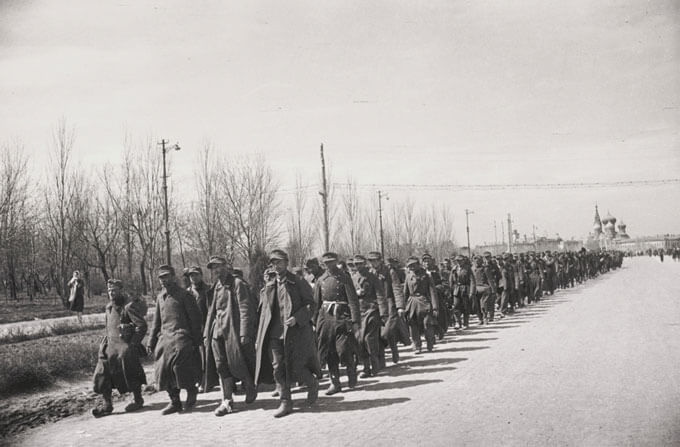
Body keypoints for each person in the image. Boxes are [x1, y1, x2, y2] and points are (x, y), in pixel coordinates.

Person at [254, 249, 320, 418]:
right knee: (278, 368)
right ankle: (285, 402)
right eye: (273, 263)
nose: (276, 265)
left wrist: (297, 318)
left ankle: (312, 383)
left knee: (297, 367)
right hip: (275, 333)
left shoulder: (298, 281)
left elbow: (311, 305)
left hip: (295, 333)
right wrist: (259, 336)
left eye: (279, 262)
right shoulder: (270, 284)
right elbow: (263, 311)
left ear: (286, 262)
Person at [202, 256, 257, 416]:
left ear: (226, 266)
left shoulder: (237, 284)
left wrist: (244, 332)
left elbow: (245, 308)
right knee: (221, 366)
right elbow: (211, 313)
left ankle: (249, 385)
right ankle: (227, 401)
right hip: (217, 333)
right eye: (213, 268)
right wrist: (207, 334)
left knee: (238, 363)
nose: (216, 270)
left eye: (218, 266)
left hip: (233, 331)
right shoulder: (216, 287)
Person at [147, 265, 203, 415]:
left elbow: (195, 320)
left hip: (182, 335)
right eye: (161, 278)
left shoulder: (185, 296)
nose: (164, 281)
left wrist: (196, 341)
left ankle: (191, 389)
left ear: (173, 277)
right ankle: (175, 401)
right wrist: (151, 340)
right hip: (165, 337)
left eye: (166, 277)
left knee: (180, 363)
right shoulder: (160, 297)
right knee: (162, 365)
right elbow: (156, 322)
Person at [91, 279, 148, 417]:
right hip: (110, 344)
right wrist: (105, 341)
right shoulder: (108, 307)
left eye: (114, 290)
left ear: (121, 291)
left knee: (130, 370)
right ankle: (107, 405)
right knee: (102, 373)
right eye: (109, 290)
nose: (111, 293)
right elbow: (109, 326)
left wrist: (132, 344)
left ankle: (138, 399)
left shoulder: (128, 307)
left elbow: (142, 326)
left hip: (124, 345)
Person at [313, 252, 361, 395]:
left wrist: (355, 320)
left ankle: (351, 369)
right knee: (328, 351)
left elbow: (353, 301)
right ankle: (335, 382)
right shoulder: (321, 280)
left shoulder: (344, 278)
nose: (329, 265)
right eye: (326, 263)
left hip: (342, 317)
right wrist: (315, 321)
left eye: (332, 262)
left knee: (343, 349)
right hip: (325, 319)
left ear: (336, 262)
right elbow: (316, 303)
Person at [350, 254, 387, 377]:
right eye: (356, 264)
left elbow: (380, 295)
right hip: (358, 312)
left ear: (365, 263)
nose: (358, 266)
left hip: (371, 310)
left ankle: (375, 365)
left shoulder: (372, 277)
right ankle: (366, 368)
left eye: (360, 263)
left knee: (369, 339)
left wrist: (383, 313)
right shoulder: (352, 278)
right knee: (359, 340)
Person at [403, 256, 438, 353]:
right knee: (413, 324)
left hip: (424, 302)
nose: (412, 267)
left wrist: (435, 307)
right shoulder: (408, 276)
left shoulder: (426, 275)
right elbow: (405, 292)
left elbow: (432, 291)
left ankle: (430, 343)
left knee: (427, 324)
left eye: (414, 265)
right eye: (410, 266)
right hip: (412, 303)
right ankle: (417, 345)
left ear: (418, 265)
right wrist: (403, 306)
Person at [450, 255, 476, 330]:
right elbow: (451, 280)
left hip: (465, 289)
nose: (459, 262)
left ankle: (466, 323)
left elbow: (472, 281)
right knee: (455, 306)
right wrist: (451, 291)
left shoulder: (467, 269)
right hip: (456, 289)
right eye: (457, 261)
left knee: (465, 307)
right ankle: (458, 322)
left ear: (464, 261)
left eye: (460, 260)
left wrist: (471, 292)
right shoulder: (454, 269)